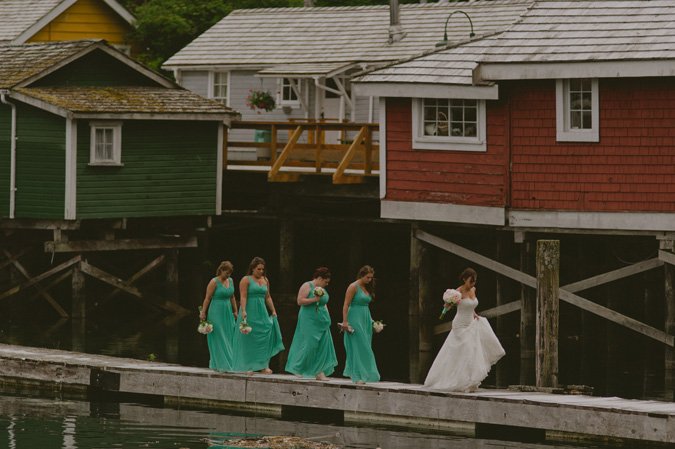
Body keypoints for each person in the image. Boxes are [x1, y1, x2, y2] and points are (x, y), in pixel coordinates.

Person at [423, 268, 505, 392]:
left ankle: (470, 381)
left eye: (474, 281)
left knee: (472, 351)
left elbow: (471, 305)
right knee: (465, 348)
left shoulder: (473, 290)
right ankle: (459, 381)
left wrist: (474, 314)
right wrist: (446, 307)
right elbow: (450, 306)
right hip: (460, 324)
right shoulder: (458, 292)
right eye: (470, 281)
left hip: (470, 323)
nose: (473, 284)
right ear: (464, 279)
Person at [231, 256, 284, 374]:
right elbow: (243, 296)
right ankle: (247, 366)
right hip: (249, 311)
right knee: (248, 338)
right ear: (253, 269)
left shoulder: (265, 280)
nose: (261, 271)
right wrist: (243, 310)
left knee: (264, 337)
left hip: (262, 312)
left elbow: (268, 297)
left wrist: (273, 310)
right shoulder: (246, 279)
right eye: (258, 269)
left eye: (262, 269)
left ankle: (264, 365)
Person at [285, 267, 337, 381]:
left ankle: (319, 371)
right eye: (326, 281)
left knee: (323, 345)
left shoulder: (322, 289)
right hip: (309, 319)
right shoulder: (307, 286)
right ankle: (298, 367)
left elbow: (324, 303)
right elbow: (300, 301)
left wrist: (328, 317)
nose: (327, 284)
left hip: (322, 321)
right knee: (310, 344)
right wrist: (314, 299)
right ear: (319, 278)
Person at [342, 265, 380, 384]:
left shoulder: (367, 287)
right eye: (368, 277)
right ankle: (357, 376)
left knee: (366, 346)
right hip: (354, 317)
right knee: (358, 347)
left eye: (371, 278)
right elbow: (346, 304)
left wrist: (373, 322)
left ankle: (363, 374)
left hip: (365, 319)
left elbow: (366, 307)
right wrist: (345, 321)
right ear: (361, 276)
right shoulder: (353, 286)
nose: (370, 280)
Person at [200, 261, 238, 372]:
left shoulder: (230, 281)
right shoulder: (214, 282)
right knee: (219, 336)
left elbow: (232, 297)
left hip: (227, 310)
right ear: (221, 270)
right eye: (227, 273)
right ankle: (220, 364)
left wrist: (235, 311)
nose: (228, 275)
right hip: (216, 310)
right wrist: (203, 312)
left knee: (229, 336)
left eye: (230, 273)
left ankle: (230, 362)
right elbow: (207, 298)